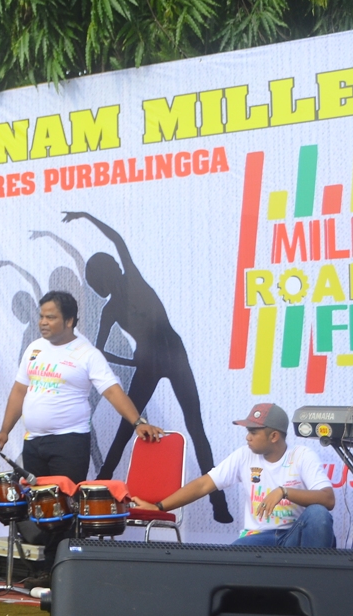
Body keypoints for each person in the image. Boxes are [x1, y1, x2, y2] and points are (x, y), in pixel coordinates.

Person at [62, 211, 231, 523]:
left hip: (173, 355)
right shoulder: (111, 307)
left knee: (194, 426)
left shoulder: (132, 279)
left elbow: (117, 239)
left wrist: (86, 216)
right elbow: (99, 351)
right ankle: (95, 495)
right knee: (127, 429)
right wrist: (133, 361)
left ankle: (218, 503)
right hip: (151, 361)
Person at [0, 290, 164, 589]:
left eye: (51, 317)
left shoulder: (86, 354)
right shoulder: (35, 348)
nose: (43, 322)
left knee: (64, 509)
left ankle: (60, 574)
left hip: (69, 443)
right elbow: (19, 391)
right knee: (41, 509)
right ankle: (47, 570)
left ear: (69, 321)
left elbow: (112, 391)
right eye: (41, 316)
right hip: (34, 442)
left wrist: (138, 422)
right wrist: (5, 430)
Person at [132, 403, 335, 547]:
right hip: (259, 537)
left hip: (294, 537)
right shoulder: (244, 455)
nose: (247, 437)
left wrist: (283, 491)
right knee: (228, 561)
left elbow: (328, 499)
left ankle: (316, 582)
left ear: (274, 436)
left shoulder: (302, 455)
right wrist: (159, 507)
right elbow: (203, 485)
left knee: (318, 514)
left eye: (253, 432)